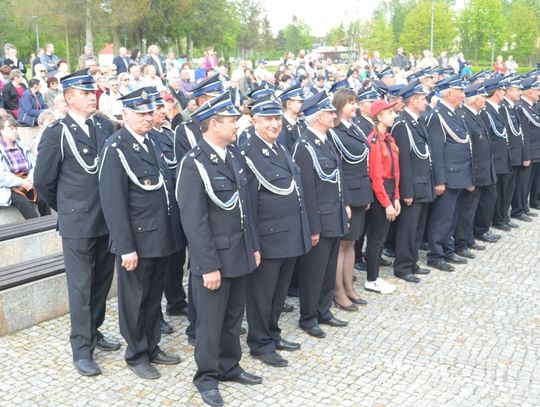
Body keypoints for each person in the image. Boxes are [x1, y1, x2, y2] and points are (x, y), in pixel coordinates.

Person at [176, 92, 262, 407]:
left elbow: (246, 209)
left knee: (232, 316)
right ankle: (207, 377)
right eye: (231, 121)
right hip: (213, 259)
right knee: (210, 324)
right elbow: (194, 221)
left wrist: (253, 247)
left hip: (239, 252)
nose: (237, 126)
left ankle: (230, 365)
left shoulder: (234, 155)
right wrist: (207, 265)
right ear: (214, 124)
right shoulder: (194, 163)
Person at [33, 70, 119, 377]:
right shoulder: (57, 133)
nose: (91, 96)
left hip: (107, 220)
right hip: (78, 223)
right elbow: (43, 181)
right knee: (81, 287)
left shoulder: (104, 125)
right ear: (69, 98)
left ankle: (94, 331)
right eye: (84, 93)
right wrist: (67, 209)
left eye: (92, 91)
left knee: (101, 283)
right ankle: (82, 348)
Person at [98, 87, 181, 379]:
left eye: (150, 112)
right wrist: (125, 247)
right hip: (137, 241)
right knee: (134, 299)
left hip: (159, 236)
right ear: (126, 114)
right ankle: (136, 354)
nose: (149, 117)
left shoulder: (150, 141)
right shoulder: (116, 148)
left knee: (152, 297)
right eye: (142, 113)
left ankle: (151, 345)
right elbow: (113, 203)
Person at [241, 95, 311, 368]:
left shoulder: (278, 147)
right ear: (255, 121)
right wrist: (253, 243)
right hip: (268, 238)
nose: (274, 124)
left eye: (276, 119)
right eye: (268, 119)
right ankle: (260, 343)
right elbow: (248, 204)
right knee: (262, 295)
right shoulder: (249, 152)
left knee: (278, 293)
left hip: (288, 234)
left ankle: (272, 333)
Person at [292, 91, 350, 338]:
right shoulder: (304, 147)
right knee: (313, 272)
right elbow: (306, 192)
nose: (333, 115)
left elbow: (337, 177)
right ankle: (308, 317)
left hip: (333, 214)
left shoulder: (326, 140)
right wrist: (313, 227)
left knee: (327, 269)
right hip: (320, 218)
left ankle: (323, 309)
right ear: (317, 117)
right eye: (329, 112)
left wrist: (344, 204)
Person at [147, 88, 188, 333]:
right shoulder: (147, 137)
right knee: (160, 263)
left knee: (177, 257)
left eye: (164, 107)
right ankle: (156, 314)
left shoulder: (168, 133)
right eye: (158, 108)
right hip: (159, 206)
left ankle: (176, 301)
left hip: (175, 203)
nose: (163, 111)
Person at [328, 88, 372, 306]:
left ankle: (349, 286)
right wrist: (344, 200)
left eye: (355, 102)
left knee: (352, 243)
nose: (354, 106)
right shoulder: (334, 132)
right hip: (346, 195)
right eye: (349, 103)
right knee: (342, 245)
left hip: (360, 191)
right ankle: (338, 291)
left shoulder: (355, 129)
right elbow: (339, 170)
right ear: (339, 106)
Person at [425, 76, 474, 272]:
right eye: (460, 91)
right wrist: (440, 180)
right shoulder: (438, 115)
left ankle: (447, 247)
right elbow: (436, 151)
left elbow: (465, 145)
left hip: (460, 174)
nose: (463, 95)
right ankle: (435, 254)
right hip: (448, 174)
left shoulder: (455, 113)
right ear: (450, 93)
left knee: (452, 216)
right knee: (442, 217)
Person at [391, 81, 434, 283]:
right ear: (413, 100)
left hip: (423, 182)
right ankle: (402, 266)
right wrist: (406, 191)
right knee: (408, 229)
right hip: (412, 186)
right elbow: (403, 161)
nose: (425, 102)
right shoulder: (402, 125)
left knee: (418, 227)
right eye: (422, 99)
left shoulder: (417, 121)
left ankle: (413, 261)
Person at [454, 83, 497, 259]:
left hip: (483, 170)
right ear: (475, 100)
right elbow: (468, 150)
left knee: (473, 207)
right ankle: (461, 243)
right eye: (482, 98)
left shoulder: (476, 116)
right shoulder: (464, 116)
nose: (485, 100)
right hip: (474, 171)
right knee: (467, 209)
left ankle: (469, 238)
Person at [363, 99, 400, 294]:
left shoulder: (389, 139)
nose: (393, 116)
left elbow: (396, 171)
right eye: (389, 113)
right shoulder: (374, 141)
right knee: (376, 238)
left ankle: (376, 276)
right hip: (380, 192)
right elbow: (376, 177)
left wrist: (396, 197)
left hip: (389, 189)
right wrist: (386, 203)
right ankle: (371, 279)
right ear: (379, 117)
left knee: (382, 236)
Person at [481, 77, 515, 232]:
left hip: (502, 158)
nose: (503, 93)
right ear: (496, 92)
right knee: (494, 195)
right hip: (495, 159)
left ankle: (501, 218)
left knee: (503, 192)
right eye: (502, 90)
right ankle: (494, 221)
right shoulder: (486, 111)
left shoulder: (495, 110)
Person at [1, 117, 49, 218]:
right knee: (24, 203)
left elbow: (34, 165)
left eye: (15, 128)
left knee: (44, 196)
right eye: (11, 128)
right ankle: (37, 231)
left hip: (27, 180)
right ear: (2, 131)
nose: (15, 131)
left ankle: (49, 227)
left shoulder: (22, 146)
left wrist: (30, 179)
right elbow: (2, 175)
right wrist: (21, 182)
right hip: (9, 186)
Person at [516, 77, 540, 211]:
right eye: (537, 91)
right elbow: (524, 134)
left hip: (536, 150)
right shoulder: (522, 108)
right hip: (529, 151)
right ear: (530, 92)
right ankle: (520, 208)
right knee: (523, 183)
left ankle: (528, 205)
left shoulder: (531, 107)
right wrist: (526, 155)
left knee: (533, 181)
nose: (539, 93)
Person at [277, 83, 306, 152]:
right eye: (300, 102)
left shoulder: (303, 125)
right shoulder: (280, 126)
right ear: (289, 104)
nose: (304, 104)